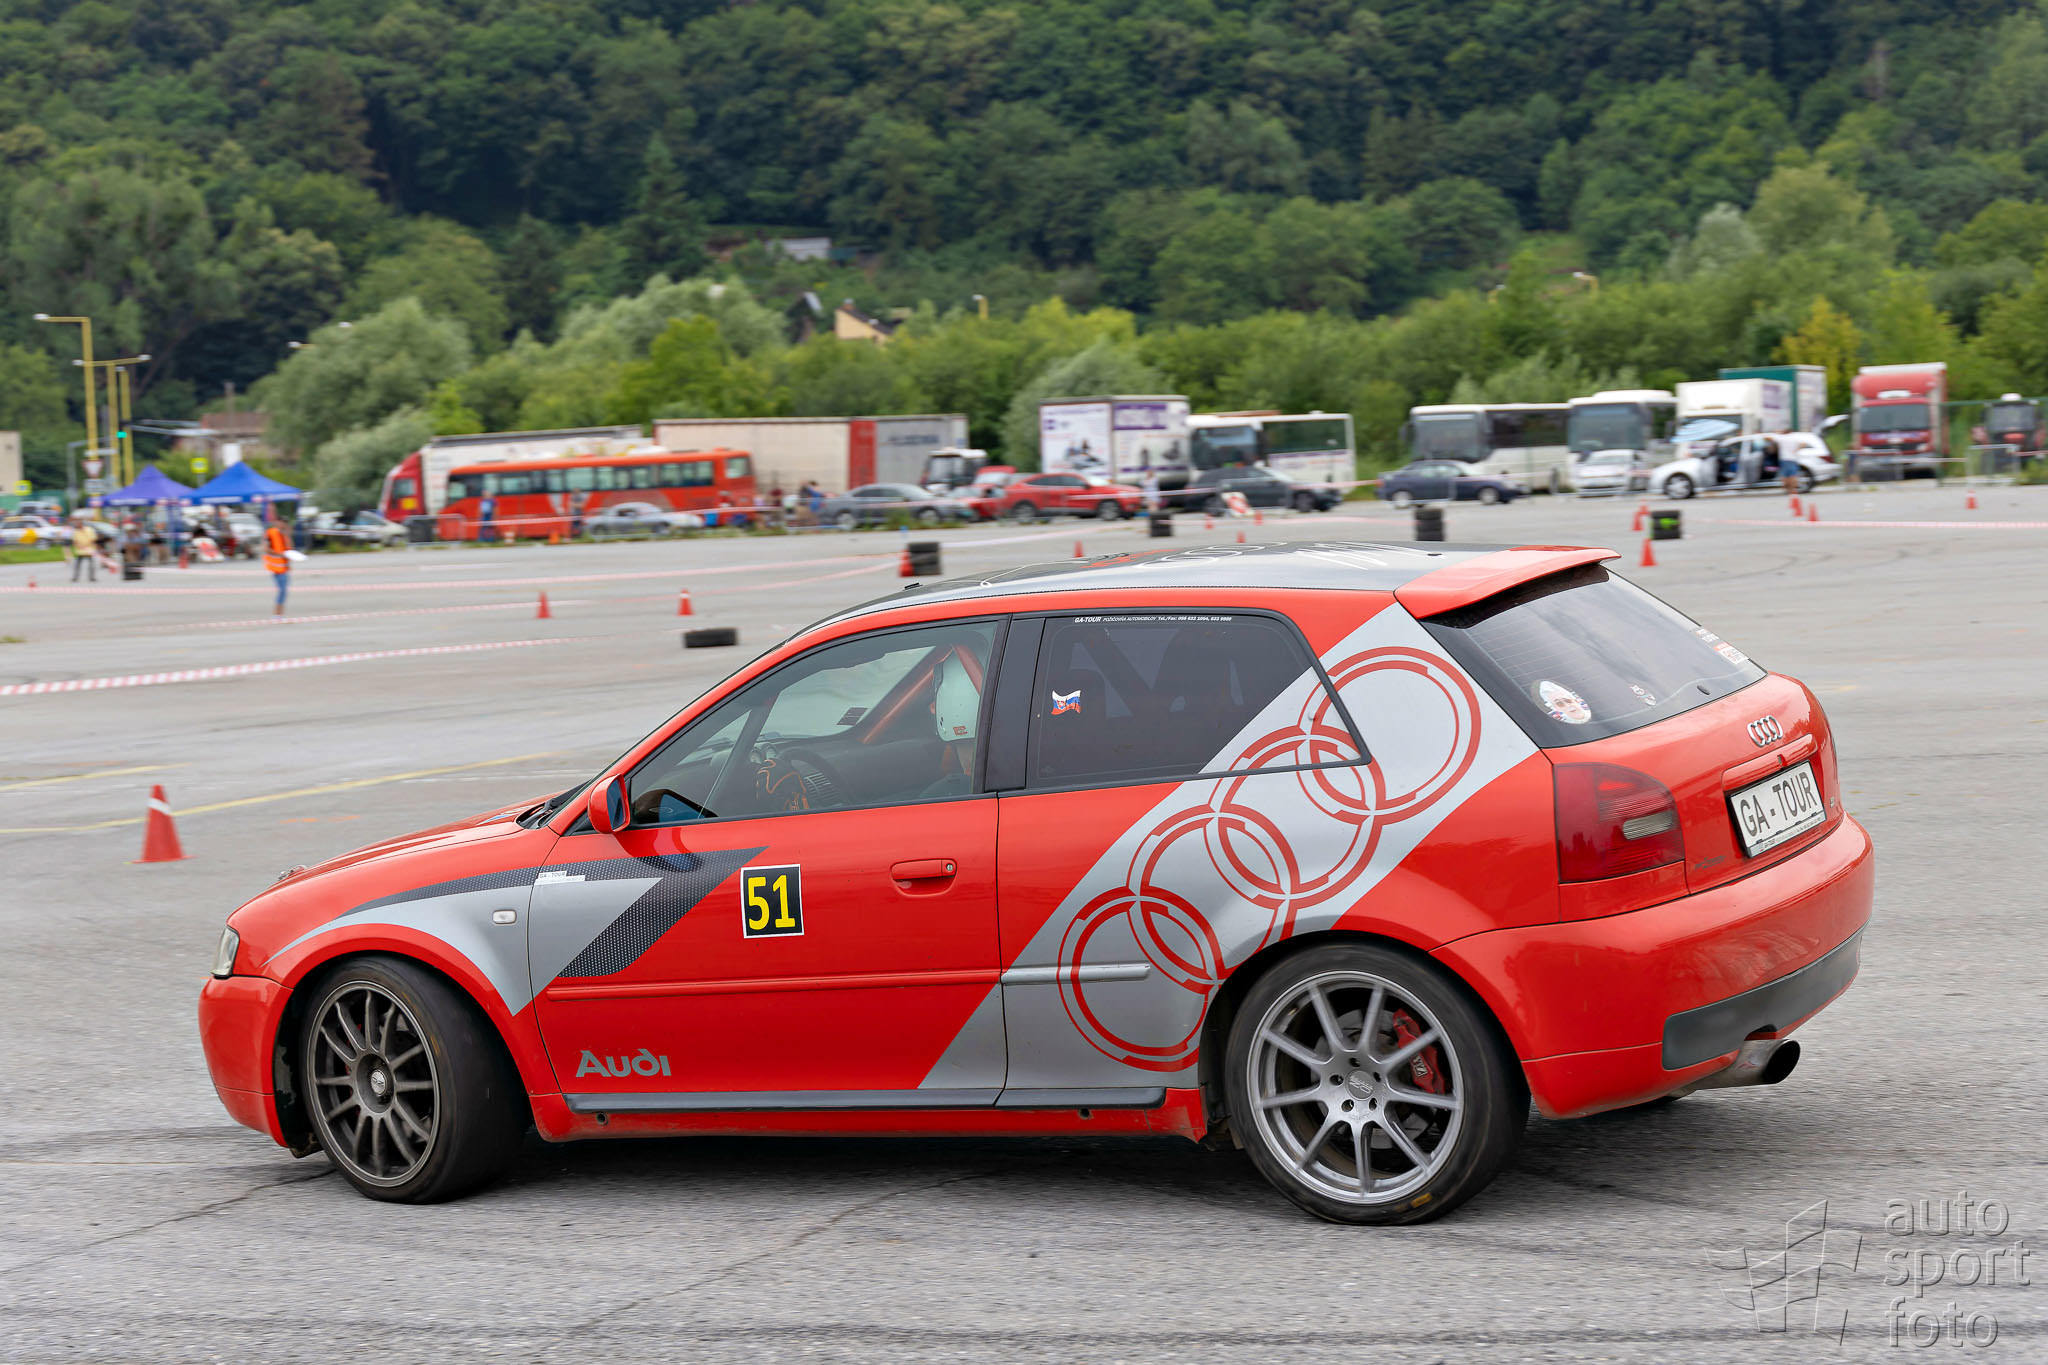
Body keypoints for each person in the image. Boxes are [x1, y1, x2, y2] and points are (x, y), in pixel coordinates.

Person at [263, 508, 292, 615]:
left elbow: (289, 549)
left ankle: (279, 614)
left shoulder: (285, 535)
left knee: (283, 591)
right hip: (275, 567)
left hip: (284, 567)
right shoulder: (271, 533)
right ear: (277, 522)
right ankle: (277, 614)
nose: (283, 524)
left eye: (285, 523)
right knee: (282, 590)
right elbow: (266, 549)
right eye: (282, 522)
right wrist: (280, 554)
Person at [69, 515, 98, 583]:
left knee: (91, 564)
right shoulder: (76, 532)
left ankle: (92, 577)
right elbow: (74, 541)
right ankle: (75, 577)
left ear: (81, 524)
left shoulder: (89, 530)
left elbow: (93, 539)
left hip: (89, 550)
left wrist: (86, 545)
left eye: (78, 523)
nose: (76, 525)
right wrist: (78, 545)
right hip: (80, 551)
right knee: (77, 565)